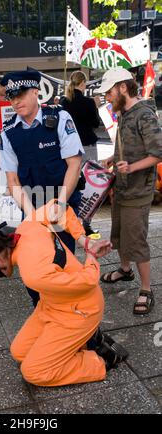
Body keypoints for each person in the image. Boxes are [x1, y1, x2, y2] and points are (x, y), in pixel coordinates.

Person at [0, 200, 128, 387]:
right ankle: (88, 340)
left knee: (34, 372)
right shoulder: (26, 226)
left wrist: (91, 255)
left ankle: (101, 360)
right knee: (19, 352)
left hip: (81, 310)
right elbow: (62, 207)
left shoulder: (33, 273)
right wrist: (83, 239)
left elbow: (88, 281)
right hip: (52, 306)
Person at [0, 70, 84, 306]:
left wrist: (61, 203)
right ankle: (43, 310)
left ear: (36, 91)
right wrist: (33, 216)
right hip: (32, 209)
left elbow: (74, 164)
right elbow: (13, 182)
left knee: (63, 263)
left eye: (21, 94)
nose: (15, 101)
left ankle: (72, 313)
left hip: (62, 206)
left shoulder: (59, 118)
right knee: (35, 269)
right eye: (10, 96)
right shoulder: (8, 133)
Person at [98, 68, 162, 315]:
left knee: (136, 239)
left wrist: (132, 166)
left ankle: (146, 289)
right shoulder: (124, 113)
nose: (107, 97)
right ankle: (125, 270)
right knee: (120, 233)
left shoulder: (144, 115)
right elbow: (128, 146)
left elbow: (158, 152)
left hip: (138, 191)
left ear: (123, 88)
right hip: (122, 187)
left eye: (110, 92)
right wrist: (113, 159)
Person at [61, 71, 101, 237]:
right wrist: (96, 108)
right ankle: (86, 225)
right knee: (91, 186)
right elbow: (95, 123)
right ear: (83, 83)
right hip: (88, 146)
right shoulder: (88, 102)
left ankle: (72, 222)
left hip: (70, 148)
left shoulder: (65, 102)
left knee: (74, 184)